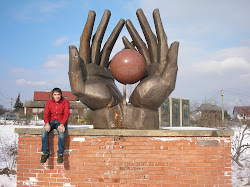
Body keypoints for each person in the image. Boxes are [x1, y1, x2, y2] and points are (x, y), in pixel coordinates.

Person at [40, 88, 70, 164]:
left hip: (61, 121)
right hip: (51, 121)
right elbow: (46, 114)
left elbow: (66, 113)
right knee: (44, 131)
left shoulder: (65, 102)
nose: (57, 96)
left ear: (61, 95)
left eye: (58, 94)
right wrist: (47, 123)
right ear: (52, 95)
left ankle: (60, 154)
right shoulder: (49, 103)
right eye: (55, 95)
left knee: (61, 133)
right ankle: (45, 152)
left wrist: (63, 124)